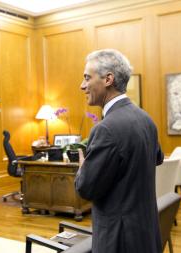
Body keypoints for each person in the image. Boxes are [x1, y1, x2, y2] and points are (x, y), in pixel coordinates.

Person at [74, 49, 164, 253]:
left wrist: (83, 166)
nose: (82, 86)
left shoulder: (105, 129)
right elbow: (157, 158)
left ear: (108, 79)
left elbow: (86, 189)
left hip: (119, 239)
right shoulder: (145, 118)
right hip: (145, 232)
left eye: (87, 78)